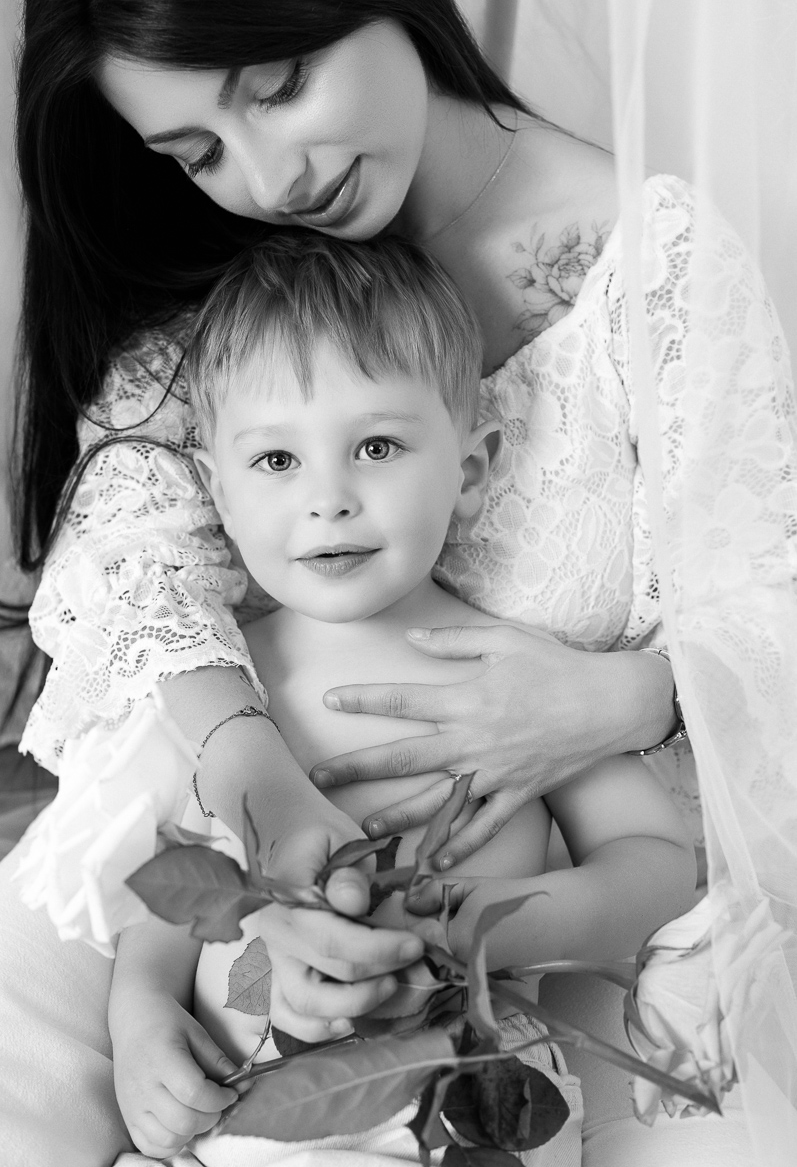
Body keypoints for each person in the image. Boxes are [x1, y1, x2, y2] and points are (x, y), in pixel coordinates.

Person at [0, 0, 790, 1164]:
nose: (268, 177)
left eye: (278, 83)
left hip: (543, 899)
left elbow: (767, 593)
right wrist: (248, 816)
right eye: (194, 151)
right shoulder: (232, 280)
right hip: (219, 820)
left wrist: (629, 698)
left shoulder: (648, 264)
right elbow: (134, 564)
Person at [109, 230, 695, 1162]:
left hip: (469, 1102)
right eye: (275, 462)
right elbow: (175, 888)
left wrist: (473, 924)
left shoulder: (512, 675)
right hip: (246, 1109)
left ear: (467, 475)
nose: (329, 498)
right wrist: (139, 1019)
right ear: (217, 491)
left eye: (375, 445)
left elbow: (656, 863)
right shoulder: (222, 685)